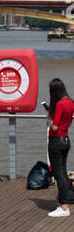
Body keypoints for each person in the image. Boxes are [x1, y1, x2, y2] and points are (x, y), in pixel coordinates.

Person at [47, 78, 74, 217]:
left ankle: (63, 207)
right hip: (66, 139)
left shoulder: (60, 104)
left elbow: (54, 126)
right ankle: (65, 202)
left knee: (58, 174)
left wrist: (49, 117)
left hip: (56, 140)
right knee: (63, 172)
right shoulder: (70, 102)